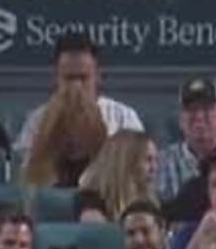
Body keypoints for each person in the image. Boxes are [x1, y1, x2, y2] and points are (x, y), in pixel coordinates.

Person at [14, 34, 143, 170]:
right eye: (69, 78)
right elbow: (29, 177)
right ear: (56, 78)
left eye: (83, 78)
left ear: (98, 77)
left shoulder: (124, 118)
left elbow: (137, 171)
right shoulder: (38, 121)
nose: (76, 86)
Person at [154, 78, 216, 202]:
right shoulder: (159, 164)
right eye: (191, 109)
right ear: (180, 119)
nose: (199, 116)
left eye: (207, 109)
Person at [76, 130, 157, 223]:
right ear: (127, 161)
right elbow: (96, 231)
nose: (154, 167)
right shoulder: (91, 201)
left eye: (155, 160)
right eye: (148, 160)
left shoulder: (149, 202)